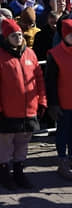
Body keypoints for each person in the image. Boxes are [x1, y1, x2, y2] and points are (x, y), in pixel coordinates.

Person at [0, 18, 47, 190]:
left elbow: (39, 79)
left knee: (23, 141)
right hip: (8, 110)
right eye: (14, 35)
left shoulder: (30, 54)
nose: (18, 38)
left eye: (20, 34)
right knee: (6, 142)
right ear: (6, 37)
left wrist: (42, 101)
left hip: (29, 108)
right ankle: (4, 172)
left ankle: (19, 171)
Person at [46, 18, 72, 180]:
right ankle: (62, 160)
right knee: (63, 132)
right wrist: (53, 104)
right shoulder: (55, 55)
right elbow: (50, 82)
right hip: (64, 102)